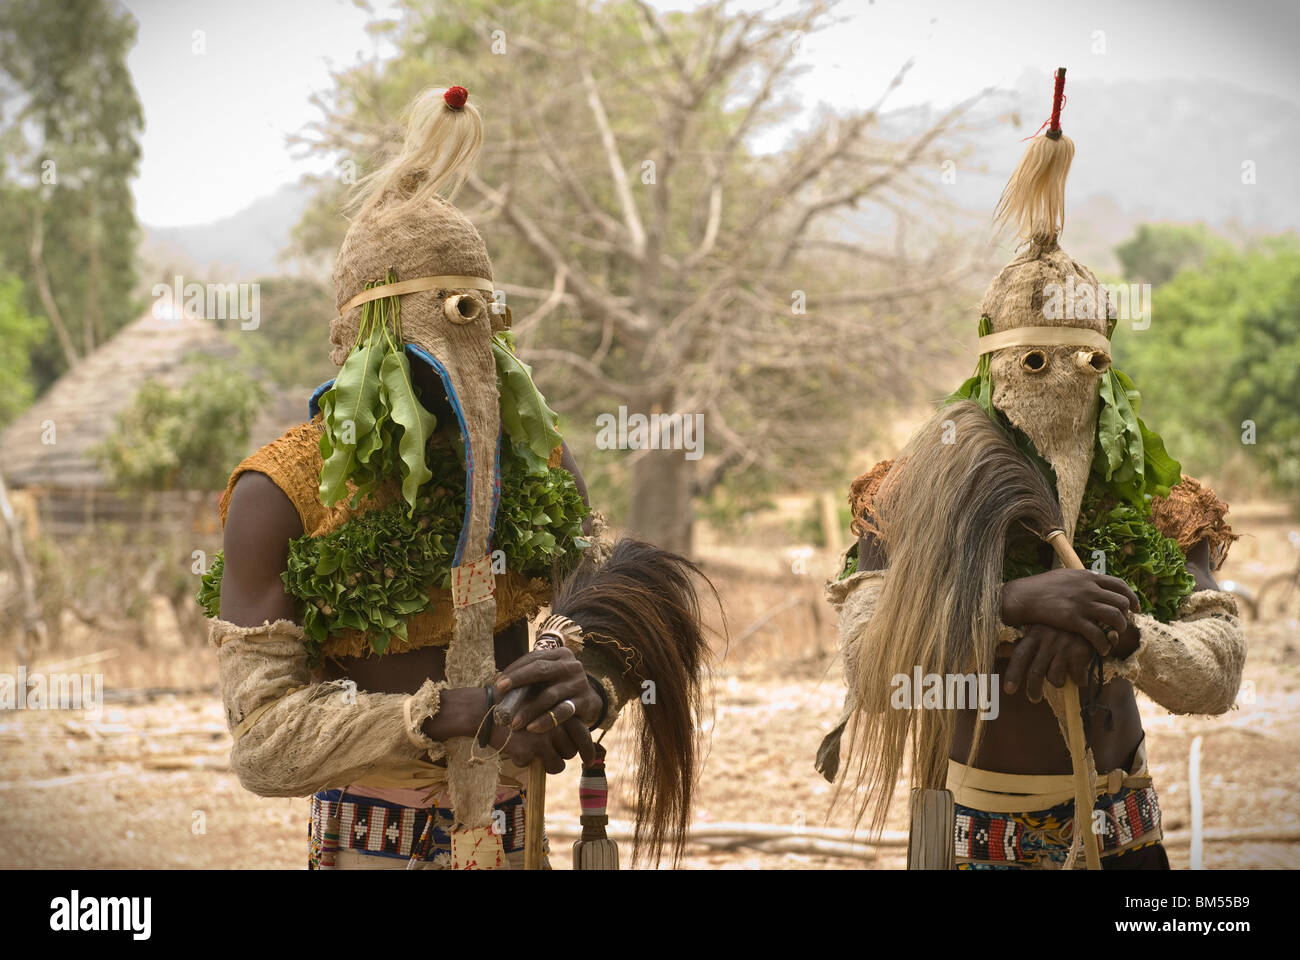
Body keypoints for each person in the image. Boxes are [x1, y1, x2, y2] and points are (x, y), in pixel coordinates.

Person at [203, 85, 708, 870]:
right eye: (429, 355)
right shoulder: (280, 494)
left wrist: (582, 684)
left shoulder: (534, 463)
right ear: (361, 351)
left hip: (517, 840)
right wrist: (444, 714)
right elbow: (265, 744)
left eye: (477, 344)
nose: (463, 381)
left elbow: (607, 605)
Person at [818, 69, 1246, 870]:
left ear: (1110, 367)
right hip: (974, 841)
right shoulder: (908, 496)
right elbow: (870, 666)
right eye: (1033, 362)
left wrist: (1117, 632)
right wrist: (1009, 601)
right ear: (990, 364)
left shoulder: (1164, 503)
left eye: (1084, 363)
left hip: (1124, 842)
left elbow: (1216, 677)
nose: (1058, 387)